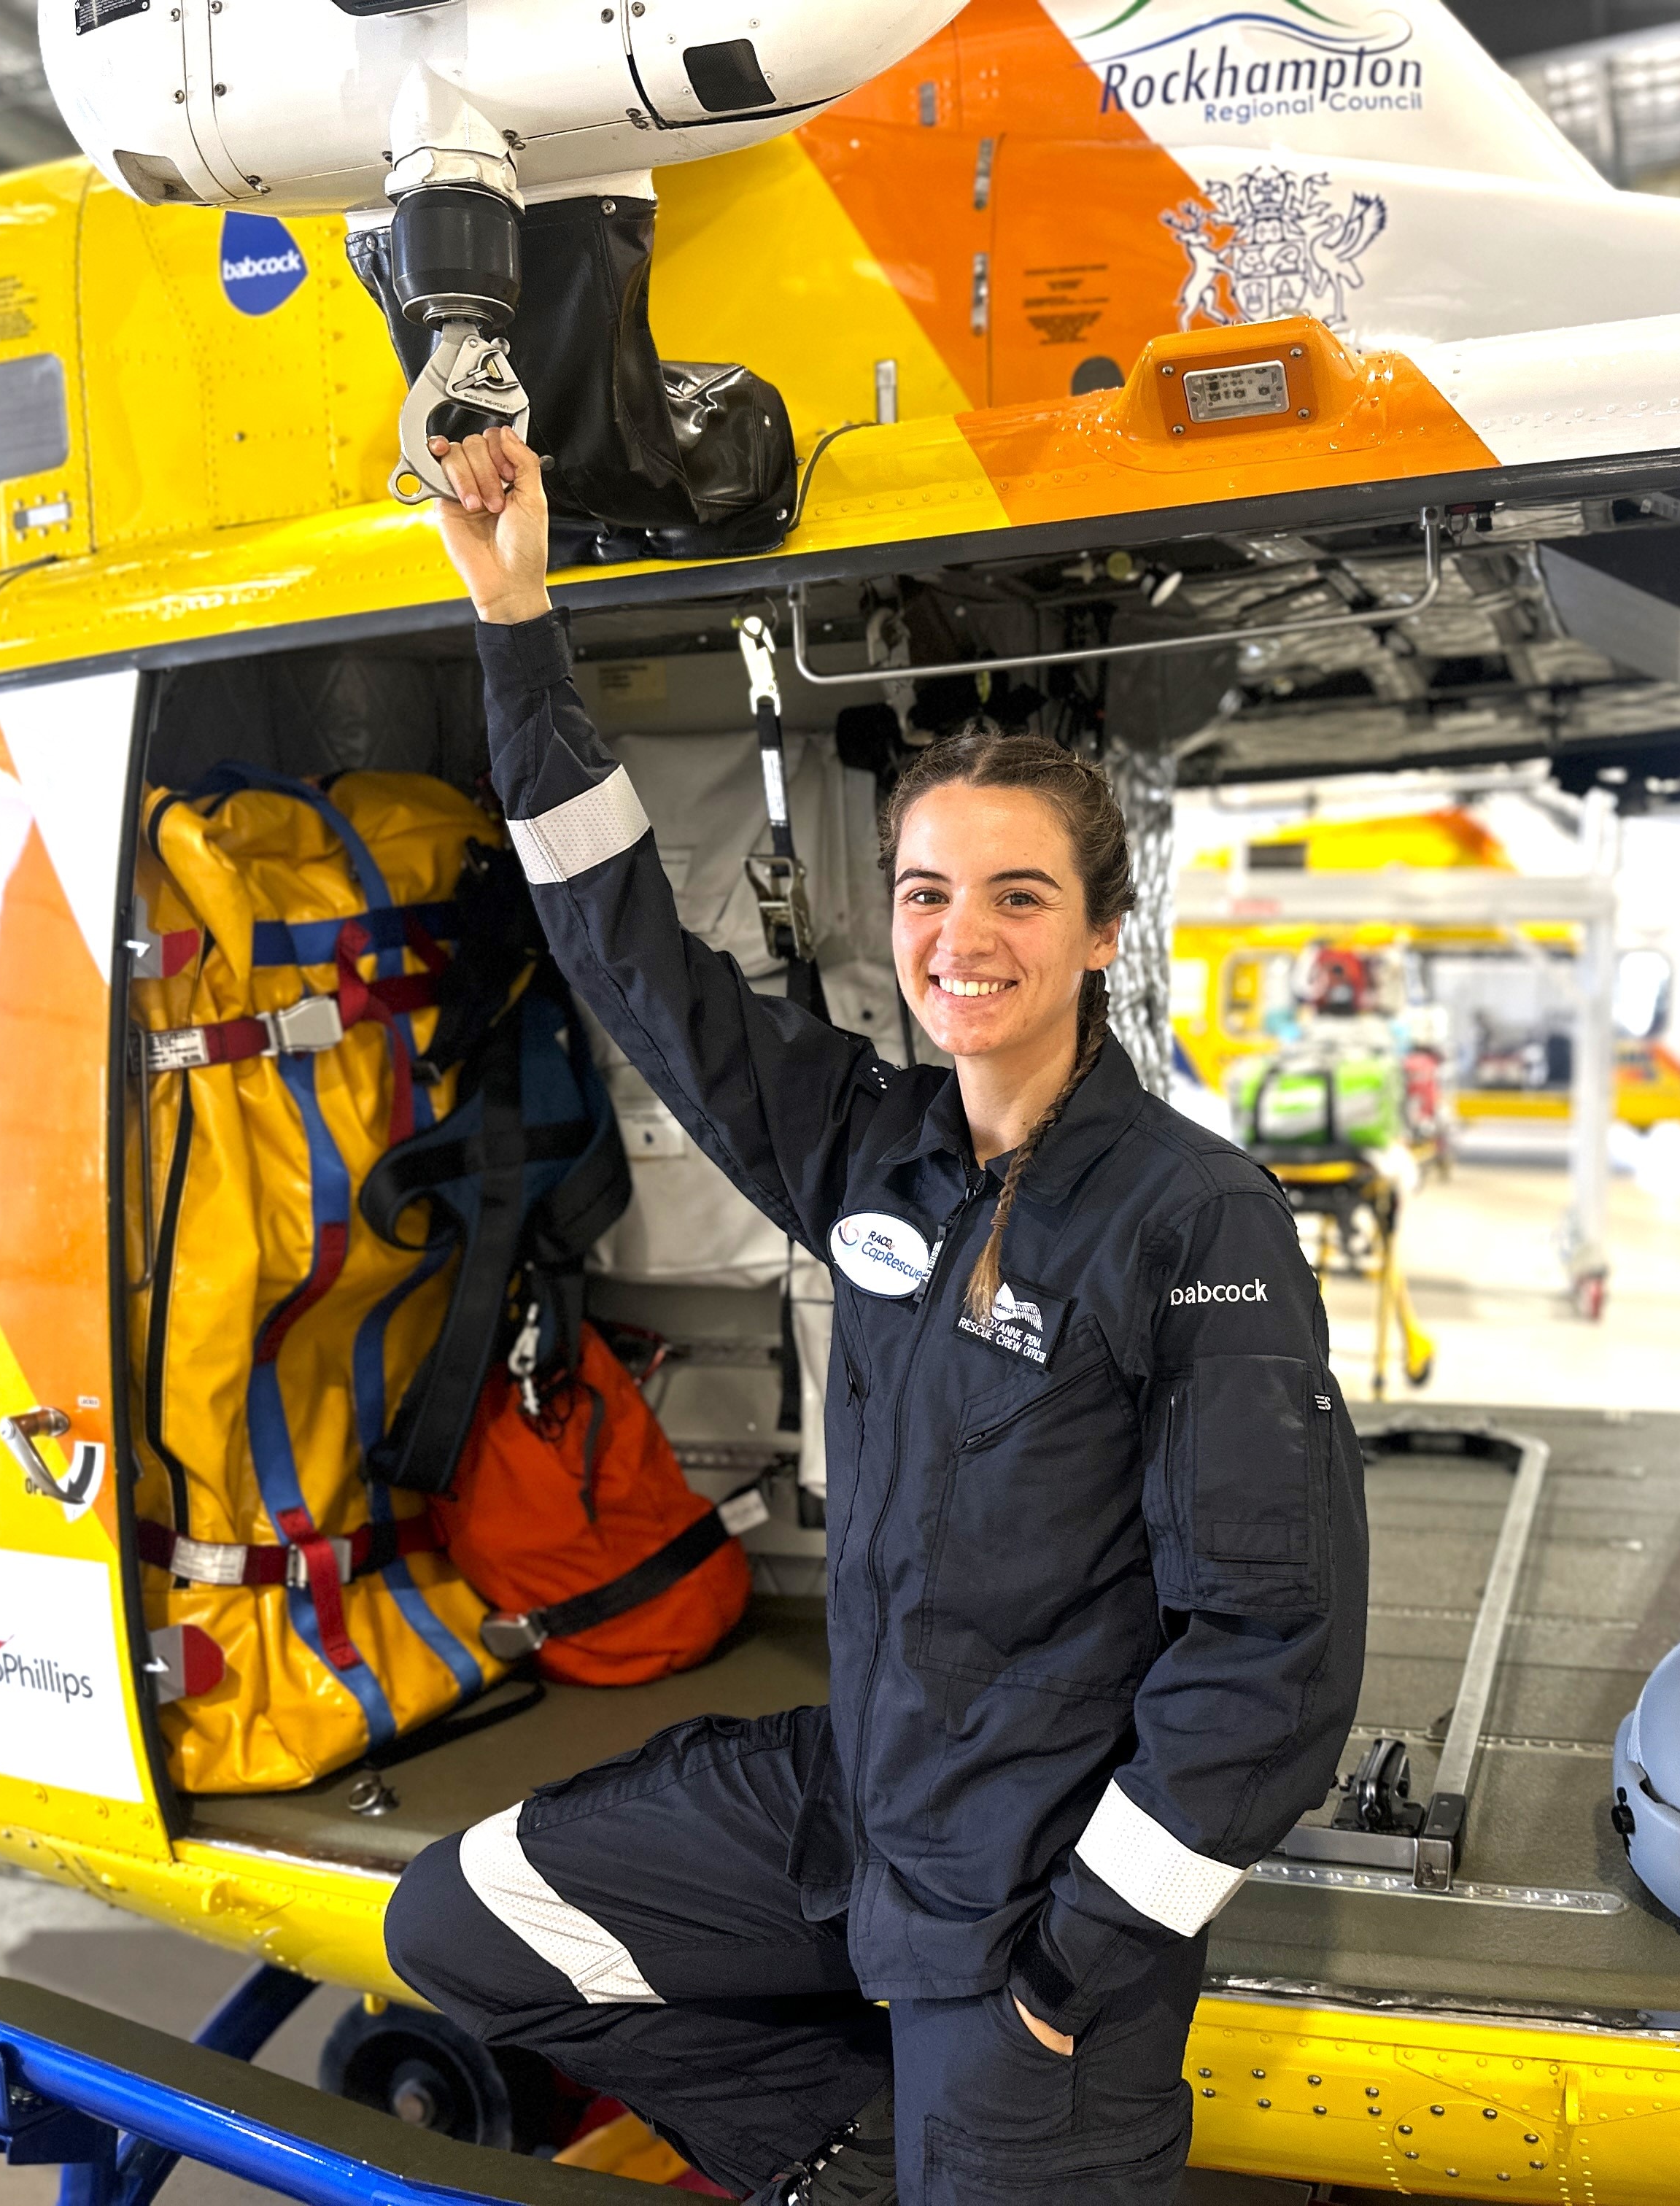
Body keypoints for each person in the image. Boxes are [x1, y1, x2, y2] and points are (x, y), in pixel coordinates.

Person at [384, 426, 1369, 2206]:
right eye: (927, 893)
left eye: (1017, 895)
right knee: (465, 1925)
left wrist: (1073, 1971)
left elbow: (1272, 1660)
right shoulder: (870, 1144)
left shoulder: (1193, 1215)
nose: (959, 937)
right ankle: (848, 2147)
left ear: (1097, 934)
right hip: (864, 1800)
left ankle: (947, 2111)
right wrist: (515, 613)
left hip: (1036, 1903)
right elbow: (629, 957)